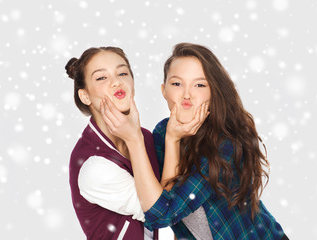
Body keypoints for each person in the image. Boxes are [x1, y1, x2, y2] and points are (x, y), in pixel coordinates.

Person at [101, 43, 289, 239]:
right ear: (163, 90)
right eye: (176, 84)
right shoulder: (162, 132)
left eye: (199, 85)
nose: (187, 95)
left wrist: (136, 139)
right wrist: (172, 139)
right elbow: (167, 206)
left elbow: (162, 214)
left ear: (213, 91)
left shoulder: (226, 143)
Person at [65, 46, 160, 240]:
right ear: (85, 96)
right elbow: (160, 212)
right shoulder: (93, 166)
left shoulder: (145, 138)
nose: (117, 82)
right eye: (102, 78)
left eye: (123, 73)